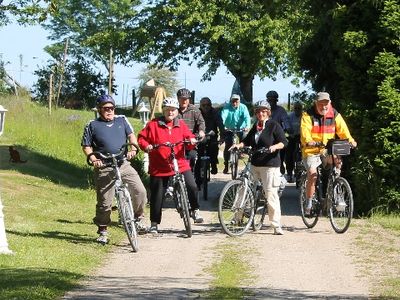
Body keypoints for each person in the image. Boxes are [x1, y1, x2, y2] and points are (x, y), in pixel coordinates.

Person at [81, 94, 148, 244]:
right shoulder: (92, 125)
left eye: (112, 108)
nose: (110, 111)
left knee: (140, 190)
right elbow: (86, 146)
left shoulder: (122, 120)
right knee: (105, 203)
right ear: (99, 110)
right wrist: (94, 159)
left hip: (122, 163)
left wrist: (133, 149)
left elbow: (131, 137)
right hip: (104, 167)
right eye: (106, 109)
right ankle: (103, 230)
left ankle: (138, 218)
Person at [137, 97, 204, 234]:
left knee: (192, 185)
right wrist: (147, 146)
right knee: (157, 195)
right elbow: (142, 138)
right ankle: (154, 223)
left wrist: (191, 140)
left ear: (176, 111)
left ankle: (195, 210)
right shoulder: (153, 124)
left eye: (173, 110)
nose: (170, 113)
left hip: (179, 162)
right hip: (159, 165)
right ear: (163, 110)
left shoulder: (180, 124)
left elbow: (189, 138)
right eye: (167, 110)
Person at [231, 100, 287, 235]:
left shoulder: (274, 125)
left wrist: (274, 147)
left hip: (270, 164)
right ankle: (237, 218)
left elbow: (283, 142)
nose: (261, 113)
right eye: (258, 111)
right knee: (243, 186)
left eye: (263, 111)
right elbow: (248, 140)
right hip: (255, 162)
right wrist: (239, 145)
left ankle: (276, 225)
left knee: (270, 193)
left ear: (268, 112)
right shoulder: (256, 126)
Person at [300, 92, 357, 215]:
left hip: (327, 148)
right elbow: (305, 133)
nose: (324, 107)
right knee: (312, 173)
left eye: (326, 104)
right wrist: (309, 141)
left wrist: (351, 141)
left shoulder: (334, 114)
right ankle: (309, 202)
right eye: (321, 104)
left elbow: (343, 131)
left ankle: (336, 189)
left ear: (330, 103)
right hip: (311, 150)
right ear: (316, 103)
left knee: (337, 162)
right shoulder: (307, 115)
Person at [220, 94, 251, 174]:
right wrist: (222, 125)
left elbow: (247, 117)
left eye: (236, 101)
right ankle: (226, 165)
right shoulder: (227, 107)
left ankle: (242, 152)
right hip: (229, 128)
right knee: (228, 145)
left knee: (244, 138)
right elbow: (223, 116)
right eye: (233, 101)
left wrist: (247, 126)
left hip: (241, 128)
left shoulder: (243, 107)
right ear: (230, 101)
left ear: (239, 101)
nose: (235, 102)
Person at [176, 88, 205, 170]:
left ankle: (193, 175)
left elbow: (201, 122)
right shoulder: (173, 110)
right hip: (177, 142)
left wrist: (201, 131)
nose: (184, 101)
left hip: (191, 142)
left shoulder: (195, 110)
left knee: (193, 157)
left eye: (186, 99)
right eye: (182, 99)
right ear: (178, 99)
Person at [195, 97, 225, 179]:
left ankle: (214, 163)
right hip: (200, 137)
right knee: (198, 154)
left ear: (211, 105)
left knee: (214, 148)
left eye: (208, 105)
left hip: (212, 136)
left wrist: (222, 137)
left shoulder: (215, 113)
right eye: (203, 105)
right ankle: (197, 178)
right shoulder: (197, 113)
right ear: (200, 106)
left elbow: (221, 125)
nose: (206, 107)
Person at [266, 90, 289, 175]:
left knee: (283, 145)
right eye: (269, 100)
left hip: (278, 134)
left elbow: (286, 121)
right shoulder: (265, 110)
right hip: (266, 134)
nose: (271, 102)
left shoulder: (281, 110)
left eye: (273, 100)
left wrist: (287, 128)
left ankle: (281, 163)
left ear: (276, 100)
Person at [285, 102, 303, 183]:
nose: (297, 110)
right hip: (292, 136)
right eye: (296, 108)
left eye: (299, 108)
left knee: (303, 154)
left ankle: (301, 171)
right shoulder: (290, 116)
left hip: (301, 138)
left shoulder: (304, 116)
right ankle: (289, 173)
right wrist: (288, 130)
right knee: (289, 154)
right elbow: (286, 125)